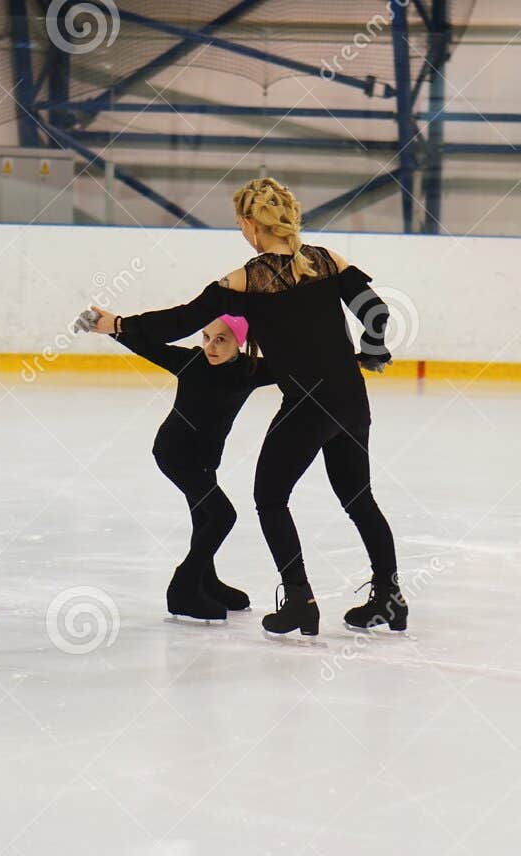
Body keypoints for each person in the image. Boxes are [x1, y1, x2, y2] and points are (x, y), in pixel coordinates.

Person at [81, 177, 406, 637]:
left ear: (252, 225)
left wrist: (119, 324)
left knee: (270, 499)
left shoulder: (244, 282)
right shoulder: (327, 261)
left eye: (241, 225)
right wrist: (372, 351)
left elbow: (178, 323)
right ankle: (390, 599)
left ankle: (300, 601)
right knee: (359, 500)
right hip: (351, 401)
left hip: (307, 408)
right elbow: (376, 312)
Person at [79, 311, 274, 620]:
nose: (210, 346)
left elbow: (300, 365)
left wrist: (354, 358)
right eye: (206, 337)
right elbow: (148, 346)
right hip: (175, 454)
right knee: (223, 516)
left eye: (220, 339)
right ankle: (183, 587)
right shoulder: (192, 362)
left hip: (206, 460)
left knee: (204, 518)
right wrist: (110, 327)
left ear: (239, 342)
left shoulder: (251, 371)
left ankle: (206, 582)